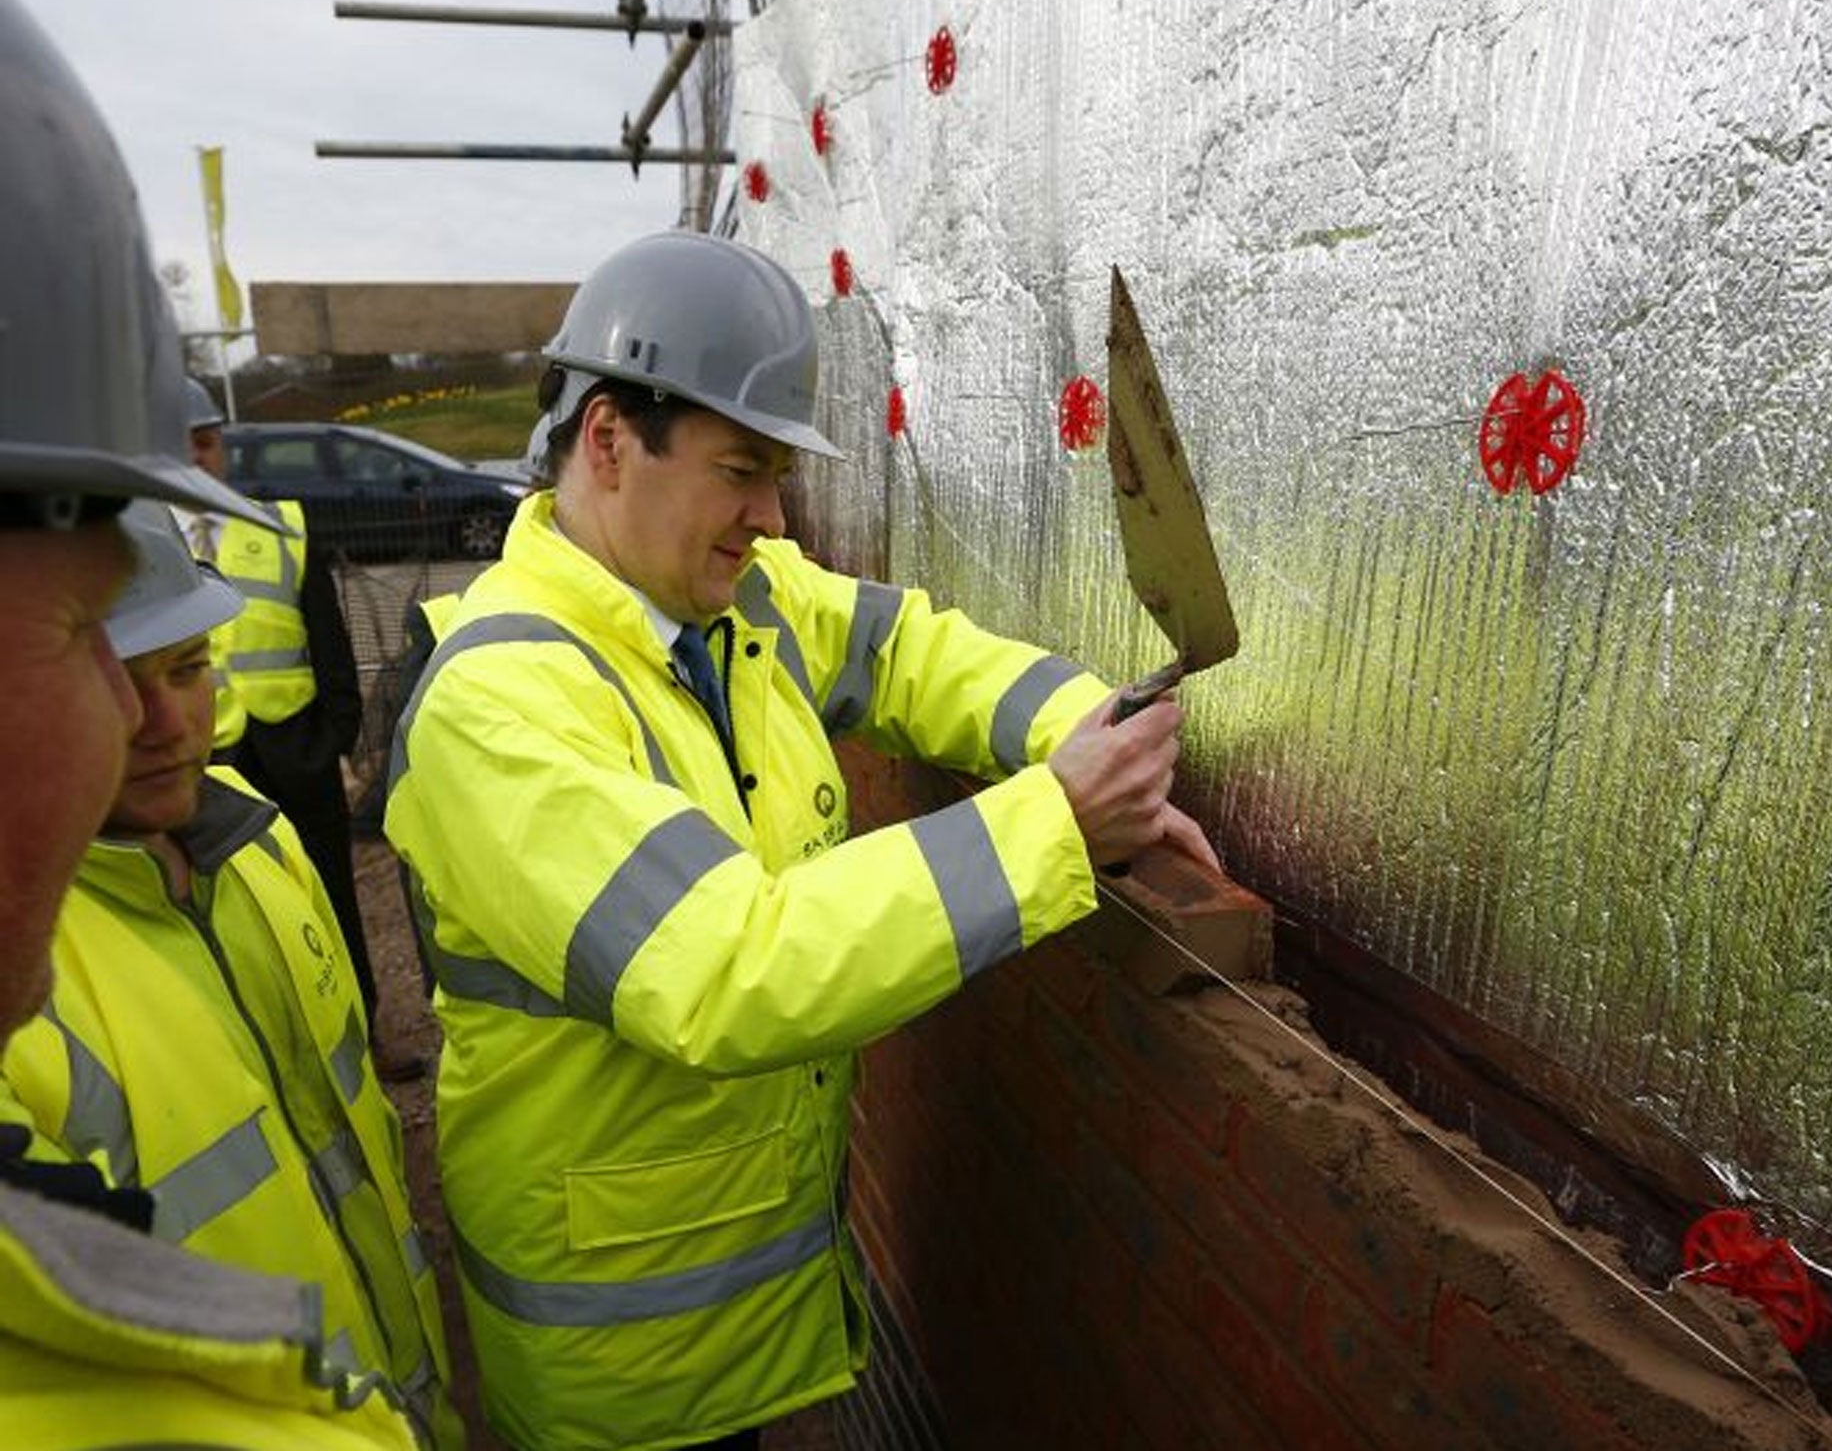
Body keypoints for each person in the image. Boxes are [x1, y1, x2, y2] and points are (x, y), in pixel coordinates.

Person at [386, 229, 1217, 1450]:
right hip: (620, 1378)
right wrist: (1055, 820)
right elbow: (728, 968)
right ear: (608, 440)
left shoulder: (729, 603)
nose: (772, 518)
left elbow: (904, 651)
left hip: (731, 1332)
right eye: (742, 469)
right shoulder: (497, 707)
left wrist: (1088, 727)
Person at [0, 0, 418, 1448]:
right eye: (72, 626)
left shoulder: (258, 854)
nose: (134, 711)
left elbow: (341, 1122)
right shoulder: (50, 1022)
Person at [1, 502, 464, 1448]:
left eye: (188, 668)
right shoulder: (22, 976)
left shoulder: (256, 831)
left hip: (395, 1399)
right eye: (118, 684)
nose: (166, 723)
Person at [178, 380, 405, 1075]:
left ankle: (365, 1035)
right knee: (232, 910)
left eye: (208, 440)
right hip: (209, 761)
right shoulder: (136, 542)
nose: (198, 455)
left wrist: (331, 738)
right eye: (181, 442)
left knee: (333, 893)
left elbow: (329, 642)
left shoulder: (284, 525)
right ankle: (275, 1055)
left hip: (296, 750)